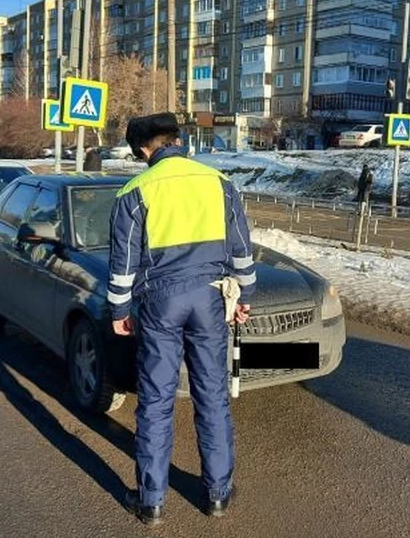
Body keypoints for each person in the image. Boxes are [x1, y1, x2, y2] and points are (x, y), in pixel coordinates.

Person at [108, 112, 256, 527]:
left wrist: (119, 310)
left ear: (143, 150)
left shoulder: (135, 190)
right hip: (210, 298)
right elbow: (241, 249)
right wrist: (244, 297)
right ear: (177, 140)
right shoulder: (218, 183)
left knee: (156, 399)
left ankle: (151, 502)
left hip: (161, 303)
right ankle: (218, 495)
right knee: (212, 395)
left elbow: (123, 263)